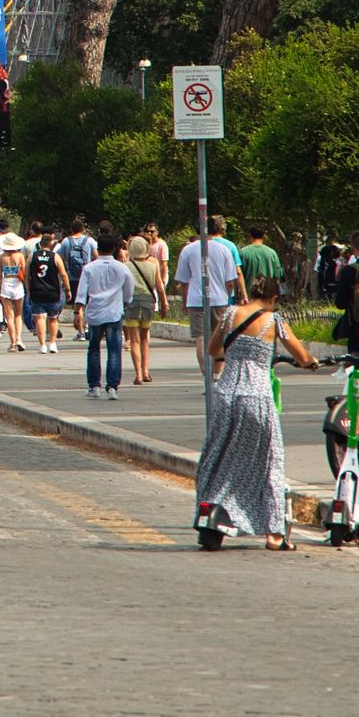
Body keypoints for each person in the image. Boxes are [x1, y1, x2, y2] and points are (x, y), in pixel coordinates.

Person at [194, 274, 314, 548]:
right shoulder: (275, 321)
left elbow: (214, 350)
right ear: (273, 299)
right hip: (257, 398)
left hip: (225, 396)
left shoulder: (230, 313)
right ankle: (274, 533)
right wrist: (310, 363)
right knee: (269, 461)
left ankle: (210, 512)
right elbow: (302, 356)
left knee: (218, 458)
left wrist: (234, 352)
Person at [174, 216, 243, 403]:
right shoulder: (224, 250)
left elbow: (184, 280)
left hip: (196, 300)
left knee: (201, 338)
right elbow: (231, 281)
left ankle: (206, 378)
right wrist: (227, 295)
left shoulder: (188, 250)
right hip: (220, 300)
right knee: (219, 337)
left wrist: (184, 301)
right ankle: (217, 378)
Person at [77, 231, 132, 400]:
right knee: (114, 350)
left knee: (93, 349)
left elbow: (81, 293)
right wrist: (125, 302)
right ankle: (113, 387)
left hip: (94, 312)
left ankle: (94, 386)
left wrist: (78, 310)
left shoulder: (89, 268)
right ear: (114, 248)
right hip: (114, 312)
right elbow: (129, 291)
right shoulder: (122, 268)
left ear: (98, 249)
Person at [125, 222, 166, 386]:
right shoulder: (152, 265)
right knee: (145, 338)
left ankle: (138, 374)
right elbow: (160, 287)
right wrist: (164, 304)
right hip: (149, 301)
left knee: (134, 339)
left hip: (132, 302)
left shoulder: (126, 266)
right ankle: (147, 370)